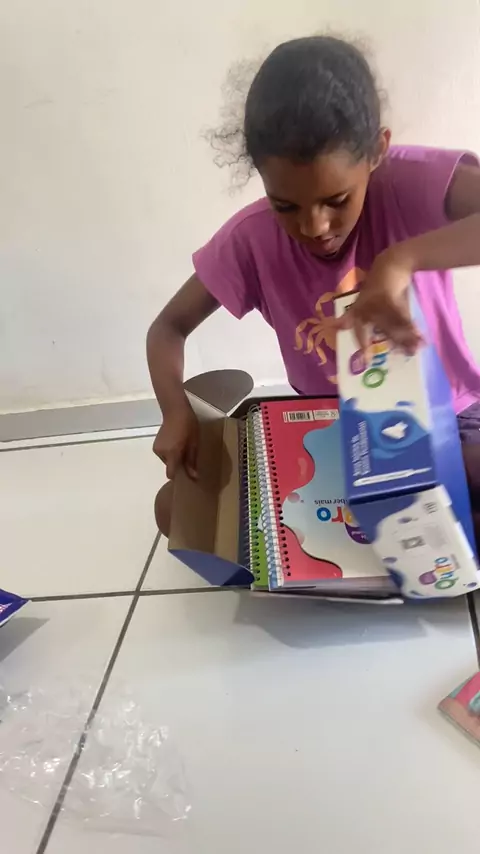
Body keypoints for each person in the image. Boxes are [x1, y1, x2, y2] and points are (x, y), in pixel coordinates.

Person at [147, 35, 480, 539]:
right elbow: (168, 328)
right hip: (334, 439)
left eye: (337, 200)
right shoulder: (251, 239)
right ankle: (393, 538)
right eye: (286, 206)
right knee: (176, 510)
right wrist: (174, 411)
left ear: (377, 152)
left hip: (449, 421)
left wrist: (401, 260)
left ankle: (387, 538)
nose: (315, 226)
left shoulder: (409, 182)